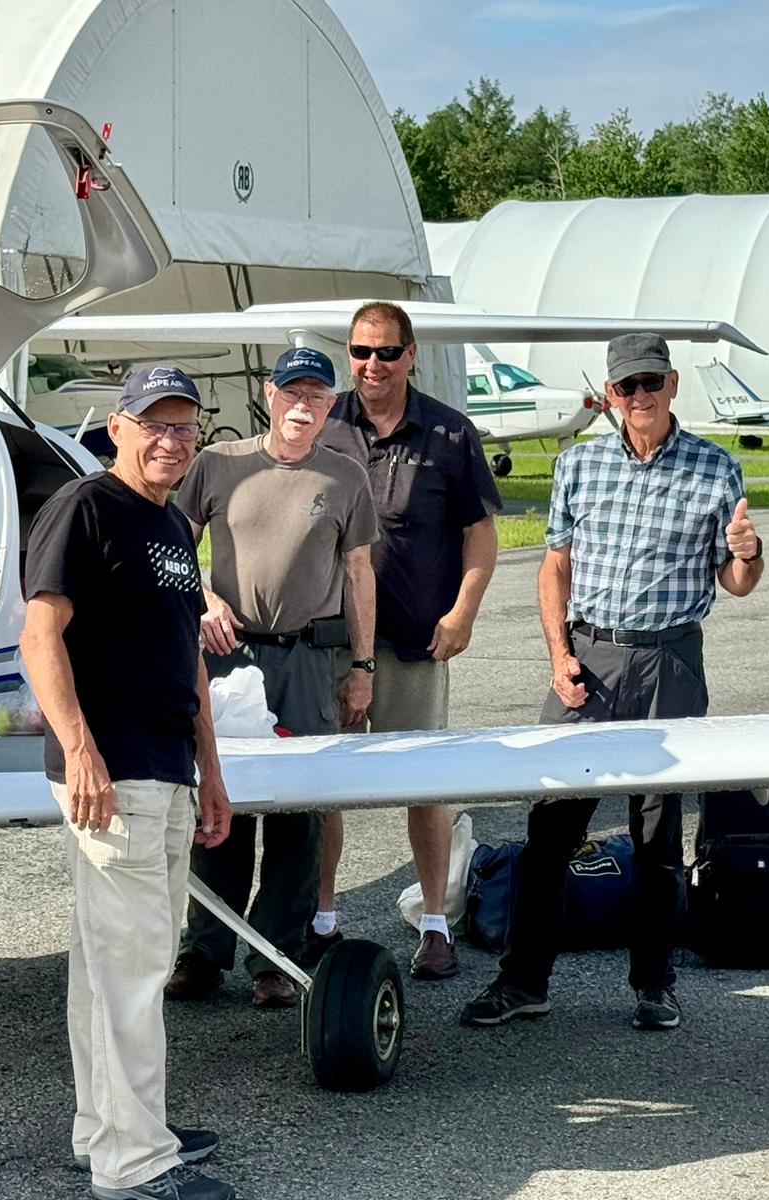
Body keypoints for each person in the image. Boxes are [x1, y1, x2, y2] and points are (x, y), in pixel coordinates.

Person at [459, 332, 764, 1031]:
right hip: (590, 658)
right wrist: (558, 653)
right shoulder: (580, 465)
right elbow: (554, 568)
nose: (640, 396)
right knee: (549, 826)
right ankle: (523, 980)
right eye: (627, 386)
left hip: (670, 661)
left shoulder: (716, 469)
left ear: (673, 384)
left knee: (656, 835)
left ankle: (655, 984)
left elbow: (736, 581)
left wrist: (748, 553)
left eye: (651, 381)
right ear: (610, 394)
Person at [20, 364, 237, 1200]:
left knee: (107, 966)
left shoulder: (174, 528)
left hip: (165, 769)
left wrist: (210, 772)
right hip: (112, 776)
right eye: (156, 424)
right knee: (136, 968)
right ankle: (135, 1164)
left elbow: (185, 657)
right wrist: (80, 752)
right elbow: (39, 638)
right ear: (117, 427)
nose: (171, 441)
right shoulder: (82, 510)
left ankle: (105, 1131)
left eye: (186, 427)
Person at [165, 346, 378, 1009]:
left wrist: (363, 668)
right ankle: (203, 953)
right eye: (293, 392)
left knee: (297, 813)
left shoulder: (345, 477)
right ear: (269, 394)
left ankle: (274, 959)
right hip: (226, 656)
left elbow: (359, 574)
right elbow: (169, 543)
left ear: (330, 406)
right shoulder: (218, 464)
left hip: (307, 659)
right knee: (218, 801)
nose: (303, 405)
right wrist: (205, 598)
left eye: (317, 395)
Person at [313, 300, 501, 981]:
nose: (372, 365)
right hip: (332, 642)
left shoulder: (449, 434)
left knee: (427, 785)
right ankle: (322, 919)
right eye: (360, 352)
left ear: (411, 355)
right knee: (322, 786)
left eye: (386, 352)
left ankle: (433, 922)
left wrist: (463, 613)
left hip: (418, 642)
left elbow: (480, 534)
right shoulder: (322, 424)